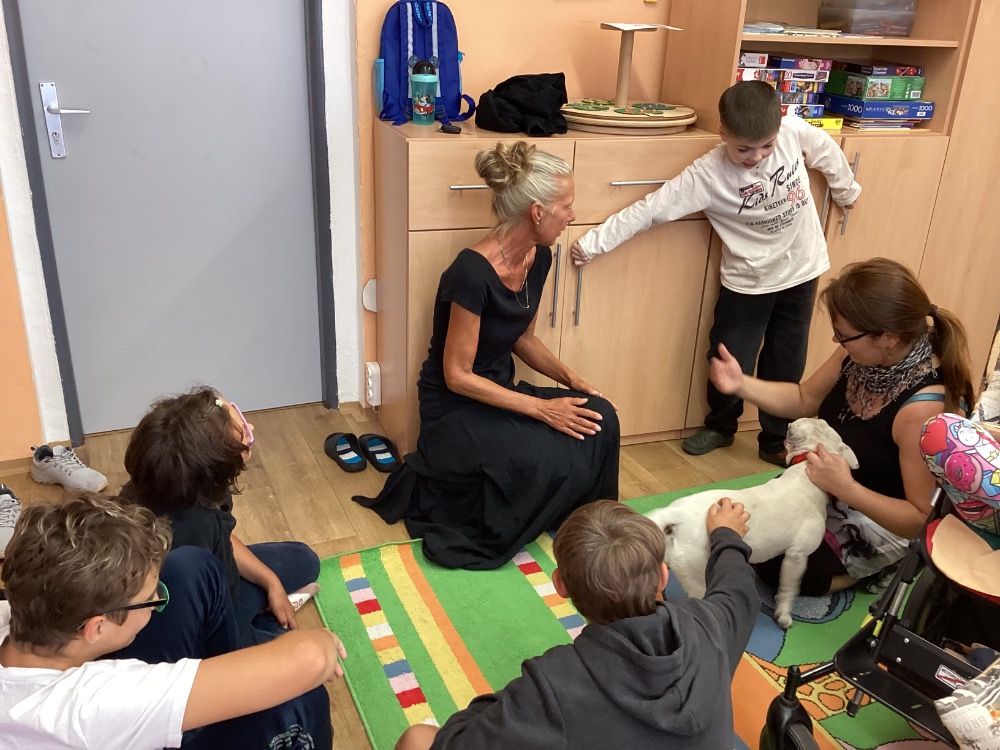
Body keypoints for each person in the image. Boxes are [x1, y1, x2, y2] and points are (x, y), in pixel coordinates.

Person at [355, 141, 620, 570]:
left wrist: (575, 382)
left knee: (601, 417)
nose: (572, 215)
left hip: (500, 392)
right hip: (454, 410)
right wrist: (541, 409)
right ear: (537, 213)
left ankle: (591, 525)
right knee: (540, 457)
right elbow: (457, 376)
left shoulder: (540, 257)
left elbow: (523, 339)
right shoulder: (471, 273)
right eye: (566, 206)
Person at [571, 81, 862, 466]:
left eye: (766, 146)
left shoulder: (793, 130)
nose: (756, 157)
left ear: (778, 127)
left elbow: (827, 153)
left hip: (802, 268)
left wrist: (847, 191)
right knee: (728, 357)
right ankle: (721, 426)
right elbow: (652, 209)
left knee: (787, 359)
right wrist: (593, 243)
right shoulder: (707, 175)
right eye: (743, 149)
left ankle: (776, 439)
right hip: (748, 281)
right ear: (723, 132)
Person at [395, 497, 758, 750]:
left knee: (417, 739)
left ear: (560, 585)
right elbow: (738, 589)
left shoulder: (552, 686)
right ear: (663, 576)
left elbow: (460, 742)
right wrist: (726, 535)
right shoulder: (710, 624)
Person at [710, 257, 974, 594]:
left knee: (779, 568)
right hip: (832, 485)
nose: (837, 341)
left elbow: (920, 517)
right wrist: (741, 384)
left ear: (889, 338)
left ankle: (892, 562)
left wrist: (847, 488)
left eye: (844, 335)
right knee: (747, 531)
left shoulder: (923, 408)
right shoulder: (858, 354)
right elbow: (804, 398)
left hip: (884, 515)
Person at [0, 493, 344, 749]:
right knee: (300, 700)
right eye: (152, 598)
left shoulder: (12, 615)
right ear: (96, 627)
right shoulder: (88, 707)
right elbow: (311, 658)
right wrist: (326, 642)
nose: (157, 604)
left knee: (192, 566)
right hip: (108, 723)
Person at [120, 386, 320, 646]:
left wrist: (271, 581)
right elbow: (215, 626)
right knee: (296, 651)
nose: (251, 427)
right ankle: (263, 627)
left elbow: (222, 539)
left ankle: (263, 618)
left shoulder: (161, 484)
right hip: (205, 624)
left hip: (215, 591)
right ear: (219, 465)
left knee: (305, 560)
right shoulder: (196, 529)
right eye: (245, 432)